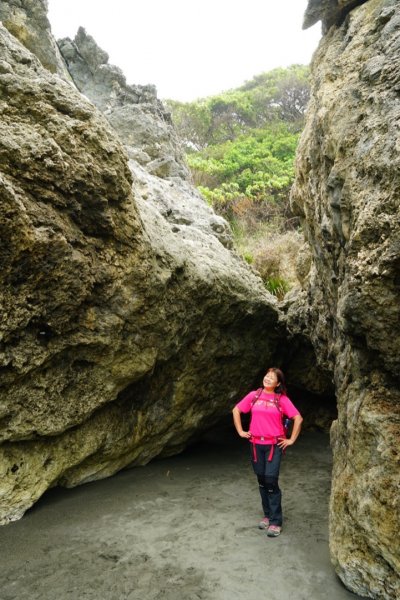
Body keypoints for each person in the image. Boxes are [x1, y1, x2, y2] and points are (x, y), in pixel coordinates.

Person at [232, 367, 303, 537]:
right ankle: (267, 515)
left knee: (271, 480)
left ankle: (276, 521)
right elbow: (236, 410)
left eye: (272, 377)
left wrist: (291, 439)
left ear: (278, 383)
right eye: (267, 375)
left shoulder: (282, 400)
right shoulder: (253, 396)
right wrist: (241, 431)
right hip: (256, 444)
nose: (268, 379)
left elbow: (298, 418)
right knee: (262, 480)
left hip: (274, 446)